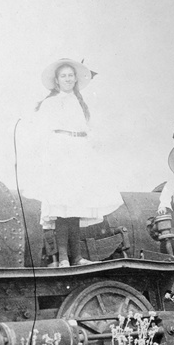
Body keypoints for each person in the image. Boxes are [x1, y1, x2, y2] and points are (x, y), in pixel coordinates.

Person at [33, 58, 121, 267]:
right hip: (61, 152)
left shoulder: (81, 102)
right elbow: (42, 132)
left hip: (79, 153)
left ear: (76, 79)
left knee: (75, 207)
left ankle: (77, 256)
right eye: (63, 76)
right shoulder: (51, 102)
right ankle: (63, 257)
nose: (67, 79)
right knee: (63, 207)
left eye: (71, 75)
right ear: (57, 80)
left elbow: (89, 129)